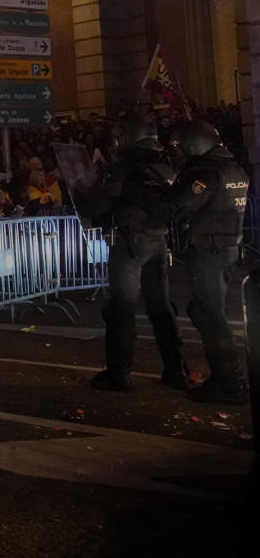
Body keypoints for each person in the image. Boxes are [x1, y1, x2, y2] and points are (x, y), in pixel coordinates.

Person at [138, 120, 249, 403]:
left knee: (210, 317)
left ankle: (230, 384)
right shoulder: (232, 167)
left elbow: (174, 208)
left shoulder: (206, 173)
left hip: (209, 252)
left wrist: (144, 192)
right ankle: (227, 381)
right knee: (206, 312)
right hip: (226, 249)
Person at [81, 121, 185, 393]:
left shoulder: (124, 166)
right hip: (157, 241)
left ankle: (119, 374)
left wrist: (87, 189)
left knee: (122, 309)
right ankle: (176, 370)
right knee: (161, 307)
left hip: (129, 242)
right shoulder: (165, 163)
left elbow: (96, 204)